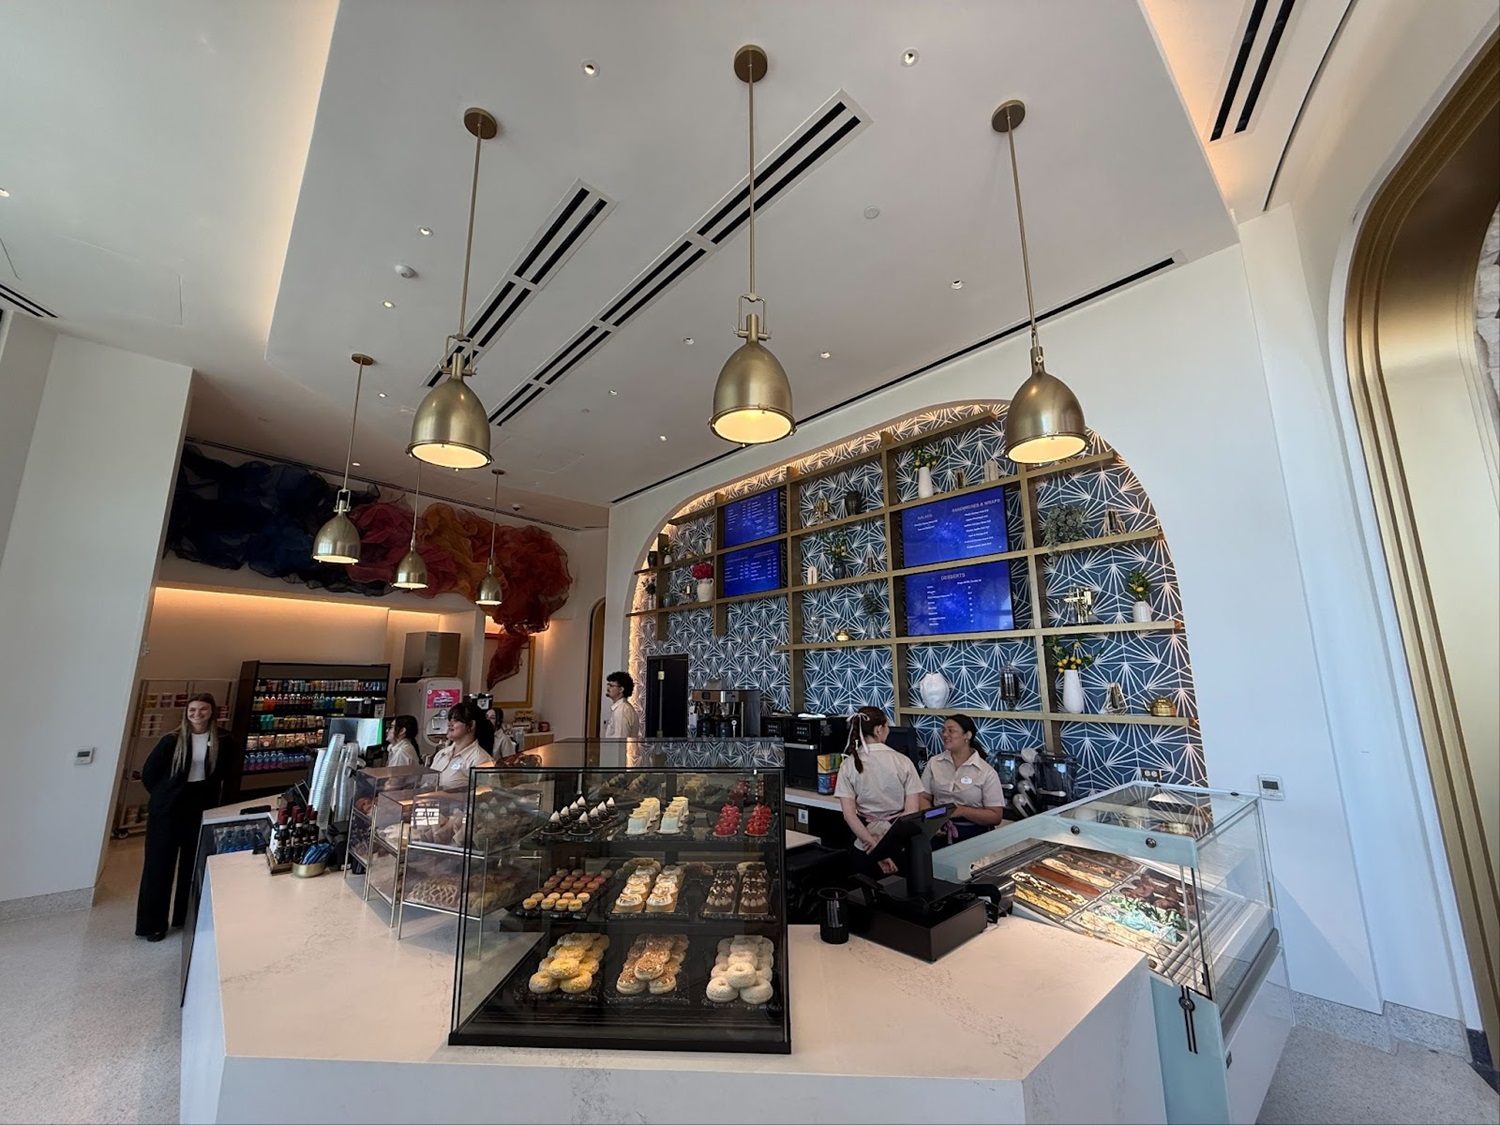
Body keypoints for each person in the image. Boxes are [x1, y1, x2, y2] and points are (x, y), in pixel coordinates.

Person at [135, 693, 230, 942]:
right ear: (186, 713)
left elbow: (225, 771)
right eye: (192, 710)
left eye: (203, 709)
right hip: (168, 808)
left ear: (212, 712)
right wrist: (166, 794)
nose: (197, 714)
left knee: (193, 864)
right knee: (158, 866)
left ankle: (184, 917)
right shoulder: (171, 740)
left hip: (200, 805)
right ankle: (152, 925)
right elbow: (149, 774)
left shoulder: (223, 740)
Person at [834, 706, 923, 877]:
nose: (888, 730)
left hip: (864, 845)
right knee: (899, 890)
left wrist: (873, 844)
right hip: (898, 844)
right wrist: (886, 844)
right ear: (878, 729)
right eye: (887, 726)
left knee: (864, 891)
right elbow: (912, 812)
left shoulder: (848, 765)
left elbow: (849, 815)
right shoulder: (903, 761)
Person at [920, 714, 1006, 845]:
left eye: (951, 730)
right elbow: (923, 797)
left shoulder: (986, 771)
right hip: (939, 832)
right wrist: (932, 822)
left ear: (967, 735)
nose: (945, 734)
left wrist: (963, 811)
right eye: (943, 730)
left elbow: (996, 816)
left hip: (975, 838)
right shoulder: (934, 763)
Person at [430, 701, 496, 790]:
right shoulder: (441, 754)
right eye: (450, 719)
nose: (449, 724)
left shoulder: (481, 759)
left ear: (471, 725)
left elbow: (486, 793)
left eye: (456, 720)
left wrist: (444, 794)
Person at [601, 671, 642, 739]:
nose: (608, 688)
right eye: (608, 685)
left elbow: (620, 739)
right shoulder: (621, 708)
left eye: (611, 686)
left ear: (621, 689)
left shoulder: (622, 710)